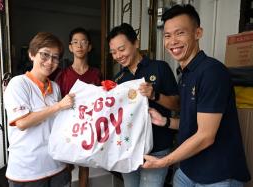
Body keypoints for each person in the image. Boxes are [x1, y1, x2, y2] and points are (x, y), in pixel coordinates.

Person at [142, 4, 251, 187]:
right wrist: (165, 121)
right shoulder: (186, 74)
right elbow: (192, 122)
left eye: (180, 33)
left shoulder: (212, 72)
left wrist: (163, 161)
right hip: (189, 170)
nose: (173, 41)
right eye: (167, 36)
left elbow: (205, 135)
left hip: (218, 175)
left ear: (198, 33)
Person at [107, 23, 179, 187]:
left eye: (122, 49)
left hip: (158, 147)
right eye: (113, 52)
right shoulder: (119, 80)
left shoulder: (160, 68)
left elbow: (178, 105)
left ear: (136, 43)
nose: (118, 55)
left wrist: (154, 95)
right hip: (128, 148)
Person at [4, 32, 75, 187]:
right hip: (27, 171)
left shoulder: (54, 87)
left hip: (57, 166)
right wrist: (58, 106)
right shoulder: (18, 84)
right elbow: (22, 122)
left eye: (55, 57)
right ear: (32, 54)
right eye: (45, 55)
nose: (50, 62)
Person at [55, 27, 102, 187]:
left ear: (89, 46)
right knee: (67, 164)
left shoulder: (96, 74)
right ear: (70, 47)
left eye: (83, 42)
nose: (79, 46)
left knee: (85, 162)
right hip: (68, 126)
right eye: (75, 42)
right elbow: (57, 102)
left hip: (89, 125)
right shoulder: (63, 75)